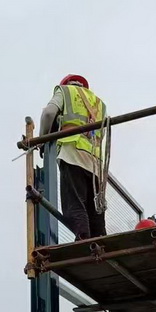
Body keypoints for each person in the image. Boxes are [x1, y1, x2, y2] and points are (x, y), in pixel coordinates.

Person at [38, 74, 108, 241]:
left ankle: (83, 240)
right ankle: (101, 243)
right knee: (95, 209)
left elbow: (48, 114)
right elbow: (102, 133)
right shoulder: (99, 104)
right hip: (96, 162)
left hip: (72, 152)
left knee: (74, 203)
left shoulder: (65, 91)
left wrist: (42, 140)